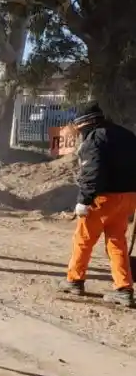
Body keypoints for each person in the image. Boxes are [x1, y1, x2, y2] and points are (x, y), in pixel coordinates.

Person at [62, 101, 136, 307]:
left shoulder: (94, 139)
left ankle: (74, 281)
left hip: (103, 200)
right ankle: (123, 289)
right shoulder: (127, 135)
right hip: (128, 197)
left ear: (83, 124)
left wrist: (83, 201)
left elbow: (92, 173)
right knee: (117, 242)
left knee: (83, 240)